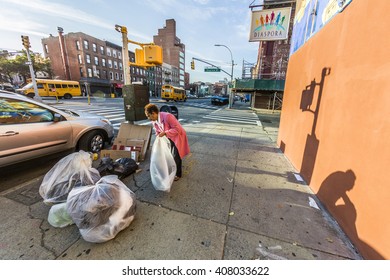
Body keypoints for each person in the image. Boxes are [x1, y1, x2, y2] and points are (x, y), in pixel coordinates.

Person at [144, 103, 190, 181]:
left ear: (153, 113)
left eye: (149, 116)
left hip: (178, 136)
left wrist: (165, 133)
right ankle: (171, 168)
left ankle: (178, 174)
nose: (149, 118)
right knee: (170, 153)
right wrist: (158, 137)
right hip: (169, 136)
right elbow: (157, 130)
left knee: (176, 155)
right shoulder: (154, 120)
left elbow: (177, 129)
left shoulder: (168, 116)